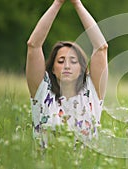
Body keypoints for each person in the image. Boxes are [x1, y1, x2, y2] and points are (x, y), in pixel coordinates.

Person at [26, 0, 108, 147]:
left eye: (73, 61)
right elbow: (33, 45)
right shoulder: (43, 93)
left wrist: (77, 4)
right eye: (61, 61)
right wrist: (58, 3)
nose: (67, 66)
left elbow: (101, 48)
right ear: (52, 68)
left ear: (82, 68)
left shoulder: (92, 92)